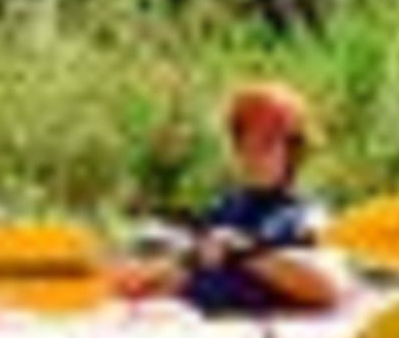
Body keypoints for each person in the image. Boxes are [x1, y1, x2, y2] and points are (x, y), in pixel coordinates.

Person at [138, 81, 351, 317]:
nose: (252, 155)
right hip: (204, 331)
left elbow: (331, 286)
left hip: (267, 335)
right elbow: (165, 280)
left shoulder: (307, 217)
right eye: (245, 143)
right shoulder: (222, 211)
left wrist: (245, 253)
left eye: (266, 145)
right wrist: (182, 259)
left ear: (292, 151)